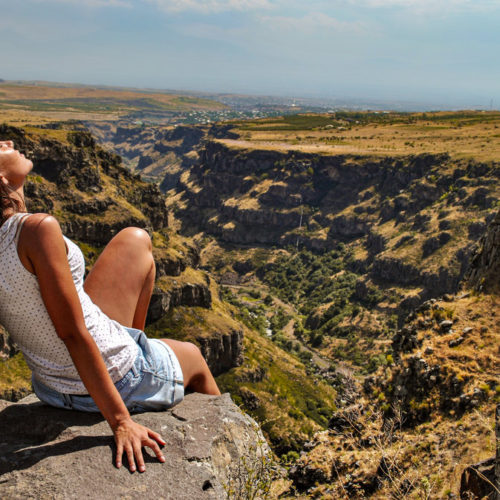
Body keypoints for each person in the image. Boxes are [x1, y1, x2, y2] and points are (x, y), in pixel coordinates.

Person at [0, 139, 220, 473]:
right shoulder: (35, 229)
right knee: (193, 354)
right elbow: (72, 332)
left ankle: (131, 346)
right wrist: (120, 421)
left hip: (49, 386)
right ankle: (221, 448)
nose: (9, 141)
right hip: (105, 383)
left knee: (135, 239)